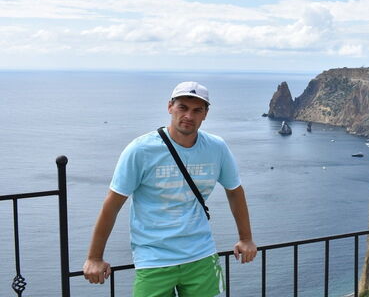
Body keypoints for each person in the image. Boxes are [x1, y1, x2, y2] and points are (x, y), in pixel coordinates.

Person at [83, 81, 257, 296]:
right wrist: (94, 257)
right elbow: (112, 204)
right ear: (170, 107)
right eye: (182, 107)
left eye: (197, 110)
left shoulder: (216, 147)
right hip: (154, 259)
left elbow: (234, 191)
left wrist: (246, 238)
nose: (189, 116)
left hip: (201, 256)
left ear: (205, 114)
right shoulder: (141, 150)